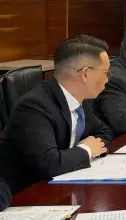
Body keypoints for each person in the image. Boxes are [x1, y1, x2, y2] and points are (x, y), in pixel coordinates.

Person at [0, 35, 114, 194]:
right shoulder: (34, 107)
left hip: (63, 187)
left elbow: (105, 131)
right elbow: (50, 164)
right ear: (85, 74)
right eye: (106, 73)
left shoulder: (78, 100)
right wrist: (86, 150)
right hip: (25, 195)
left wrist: (92, 148)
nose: (107, 79)